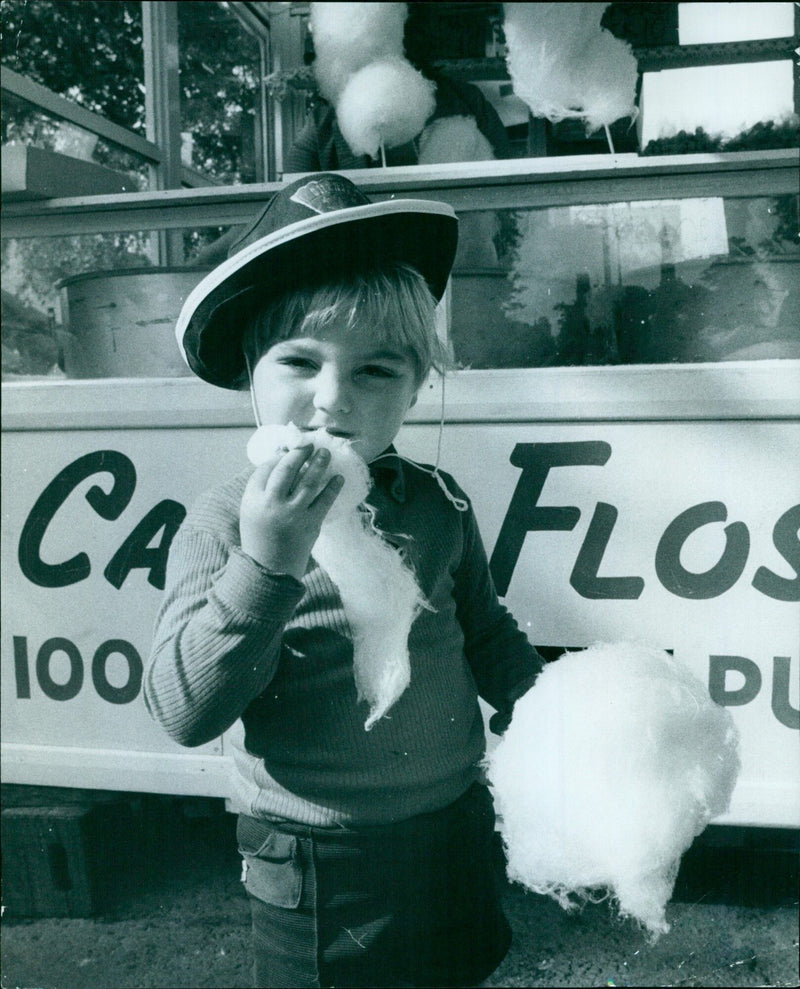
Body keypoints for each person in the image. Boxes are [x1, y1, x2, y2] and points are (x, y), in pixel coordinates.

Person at [144, 172, 543, 989]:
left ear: (416, 387)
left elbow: (488, 635)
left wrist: (566, 716)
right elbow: (184, 710)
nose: (331, 401)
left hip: (453, 827)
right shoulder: (223, 525)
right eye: (300, 361)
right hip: (318, 860)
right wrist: (268, 562)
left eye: (375, 371)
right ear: (252, 367)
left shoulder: (437, 504)